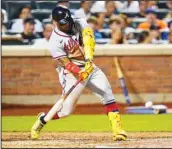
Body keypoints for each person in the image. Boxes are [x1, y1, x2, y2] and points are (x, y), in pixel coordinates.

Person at [31, 6, 127, 141]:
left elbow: (89, 39)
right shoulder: (55, 40)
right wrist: (78, 71)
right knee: (65, 111)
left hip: (88, 66)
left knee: (107, 92)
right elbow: (64, 62)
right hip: (70, 73)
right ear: (56, 23)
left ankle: (118, 130)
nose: (68, 24)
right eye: (64, 23)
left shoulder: (79, 22)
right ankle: (43, 119)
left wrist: (88, 61)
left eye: (68, 20)